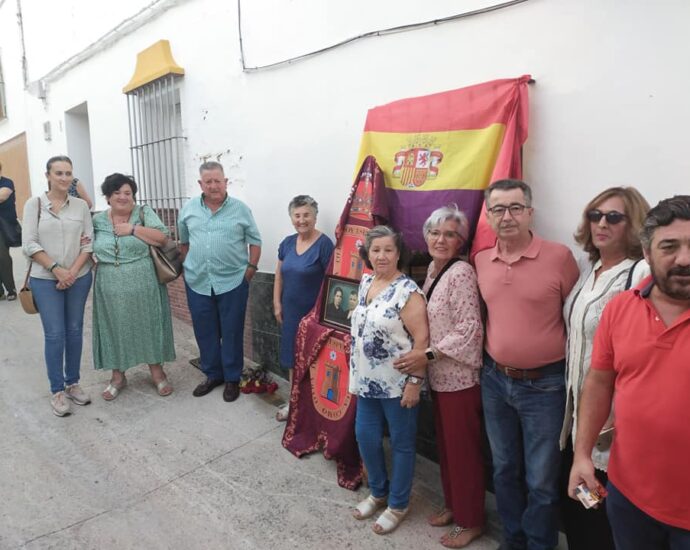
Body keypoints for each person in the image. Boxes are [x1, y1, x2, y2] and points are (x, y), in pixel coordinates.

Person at [569, 195, 690, 550]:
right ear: (647, 252)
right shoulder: (621, 307)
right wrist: (582, 455)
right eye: (670, 246)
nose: (684, 259)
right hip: (629, 499)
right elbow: (599, 382)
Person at [474, 179, 579, 550]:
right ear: (488, 216)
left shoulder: (559, 257)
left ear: (530, 212)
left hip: (545, 386)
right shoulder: (481, 260)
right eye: (498, 209)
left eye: (515, 207)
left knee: (542, 480)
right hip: (495, 380)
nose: (507, 216)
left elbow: (575, 319)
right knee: (504, 470)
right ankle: (513, 540)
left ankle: (539, 545)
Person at [559, 186, 650, 550]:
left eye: (614, 217)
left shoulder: (639, 272)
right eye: (595, 215)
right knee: (582, 503)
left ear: (634, 224)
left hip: (613, 419)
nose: (601, 223)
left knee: (605, 513)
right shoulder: (589, 269)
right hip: (577, 413)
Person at [395, 205, 485, 548]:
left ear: (461, 240)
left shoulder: (460, 272)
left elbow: (469, 329)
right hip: (440, 378)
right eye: (435, 232)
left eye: (450, 234)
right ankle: (454, 504)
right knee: (448, 449)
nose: (441, 239)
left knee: (463, 451)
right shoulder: (434, 268)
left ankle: (470, 520)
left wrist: (425, 355)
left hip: (459, 379)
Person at [349, 225, 429, 535]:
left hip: (398, 385)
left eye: (388, 250)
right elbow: (366, 316)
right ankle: (378, 492)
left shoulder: (408, 291)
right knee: (366, 439)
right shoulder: (366, 281)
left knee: (402, 444)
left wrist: (415, 381)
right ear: (367, 254)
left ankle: (398, 504)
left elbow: (422, 340)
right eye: (375, 250)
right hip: (366, 382)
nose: (381, 256)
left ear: (399, 254)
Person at [179, 161, 262, 403]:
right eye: (208, 182)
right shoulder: (189, 209)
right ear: (200, 184)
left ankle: (232, 378)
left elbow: (255, 242)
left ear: (226, 182)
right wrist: (187, 268)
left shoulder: (241, 209)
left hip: (233, 282)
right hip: (198, 282)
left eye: (218, 180)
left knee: (232, 331)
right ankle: (213, 375)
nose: (214, 186)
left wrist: (250, 271)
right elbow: (184, 242)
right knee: (205, 332)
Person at [91, 173, 175, 400]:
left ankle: (158, 374)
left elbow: (163, 238)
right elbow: (87, 247)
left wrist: (133, 229)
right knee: (114, 328)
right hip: (109, 285)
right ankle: (117, 377)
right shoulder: (97, 221)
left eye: (127, 193)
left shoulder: (143, 213)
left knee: (149, 324)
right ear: (107, 197)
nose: (122, 197)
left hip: (145, 282)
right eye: (117, 192)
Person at [22, 155, 93, 417]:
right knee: (55, 334)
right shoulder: (35, 205)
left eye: (68, 173)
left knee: (74, 331)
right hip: (45, 278)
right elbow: (29, 244)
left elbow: (88, 243)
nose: (64, 178)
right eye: (59, 173)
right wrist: (57, 270)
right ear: (48, 176)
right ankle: (57, 391)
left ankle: (72, 383)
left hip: (79, 276)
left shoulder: (81, 207)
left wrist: (71, 272)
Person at [273, 194, 334, 421]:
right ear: (291, 218)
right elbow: (279, 275)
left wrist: (322, 315)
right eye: (297, 215)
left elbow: (331, 282)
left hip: (314, 315)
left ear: (315, 216)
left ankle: (314, 406)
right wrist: (277, 303)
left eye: (306, 214)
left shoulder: (324, 245)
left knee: (314, 360)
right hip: (290, 312)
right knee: (291, 358)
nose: (302, 219)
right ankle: (294, 402)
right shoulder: (287, 243)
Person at [0, 161, 18, 300]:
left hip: (4, 226)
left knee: (3, 256)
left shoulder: (7, 183)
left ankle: (10, 289)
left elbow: (1, 196)